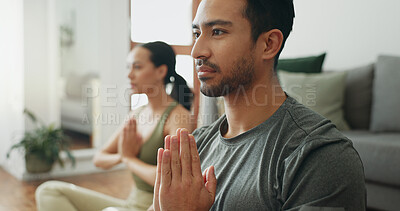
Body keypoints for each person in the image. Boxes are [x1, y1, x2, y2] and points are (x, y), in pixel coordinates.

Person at [150, 0, 366, 210]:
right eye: (197, 33)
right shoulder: (197, 144)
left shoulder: (319, 156)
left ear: (268, 44)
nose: (196, 51)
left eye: (217, 31)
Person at [35, 41, 194, 211]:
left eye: (137, 67)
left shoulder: (179, 117)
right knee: (49, 191)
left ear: (161, 71)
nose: (129, 75)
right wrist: (123, 156)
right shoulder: (137, 114)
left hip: (155, 206)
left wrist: (129, 159)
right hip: (130, 205)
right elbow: (99, 158)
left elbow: (174, 179)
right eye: (128, 67)